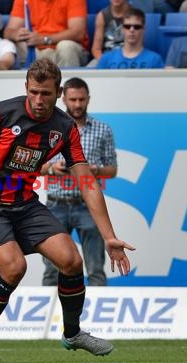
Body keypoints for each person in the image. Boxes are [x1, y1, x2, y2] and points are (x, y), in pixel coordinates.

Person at [0, 58, 134, 363]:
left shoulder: (64, 128)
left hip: (25, 204)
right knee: (14, 267)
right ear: (26, 88)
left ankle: (72, 333)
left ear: (59, 92)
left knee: (72, 261)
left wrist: (109, 237)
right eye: (34, 92)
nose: (38, 100)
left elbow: (87, 182)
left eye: (46, 94)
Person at [40, 77, 117, 287]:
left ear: (88, 99)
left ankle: (96, 318)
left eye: (81, 99)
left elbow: (112, 170)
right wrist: (52, 169)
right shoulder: (48, 128)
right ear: (63, 97)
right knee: (51, 269)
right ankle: (48, 318)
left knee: (95, 269)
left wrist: (95, 170)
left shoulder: (103, 130)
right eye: (72, 99)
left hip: (88, 206)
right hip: (56, 204)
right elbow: (33, 166)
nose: (77, 104)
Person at [3, 0, 89, 68]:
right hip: (34, 50)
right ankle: (29, 86)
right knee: (17, 44)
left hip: (61, 50)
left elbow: (78, 32)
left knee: (66, 46)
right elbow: (8, 32)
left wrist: (45, 39)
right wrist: (16, 34)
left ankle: (67, 87)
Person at [97, 8, 164, 69]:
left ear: (144, 29)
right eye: (127, 26)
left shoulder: (155, 60)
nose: (131, 30)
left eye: (137, 27)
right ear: (122, 29)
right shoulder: (106, 59)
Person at [89, 0, 132, 67]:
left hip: (129, 57)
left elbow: (138, 47)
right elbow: (96, 49)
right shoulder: (102, 16)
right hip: (106, 57)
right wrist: (105, 62)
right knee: (88, 72)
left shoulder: (135, 15)